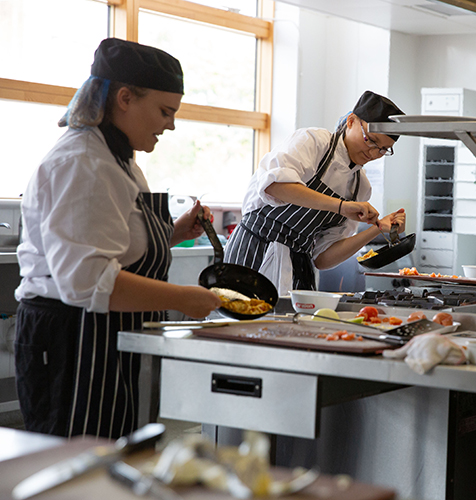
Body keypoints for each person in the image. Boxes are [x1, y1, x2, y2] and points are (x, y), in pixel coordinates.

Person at [14, 38, 221, 438]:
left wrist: (176, 231)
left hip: (107, 337)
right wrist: (186, 298)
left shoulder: (118, 157)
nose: (171, 125)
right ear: (124, 97)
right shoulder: (83, 163)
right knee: (80, 473)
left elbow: (116, 243)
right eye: (165, 111)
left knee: (117, 465)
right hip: (73, 342)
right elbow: (87, 281)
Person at [224, 90, 407, 295]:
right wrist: (341, 206)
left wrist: (376, 229)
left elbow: (322, 258)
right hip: (254, 249)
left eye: (383, 149)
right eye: (370, 140)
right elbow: (273, 186)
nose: (374, 153)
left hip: (298, 265)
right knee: (244, 322)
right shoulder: (314, 142)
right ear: (351, 121)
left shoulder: (360, 187)